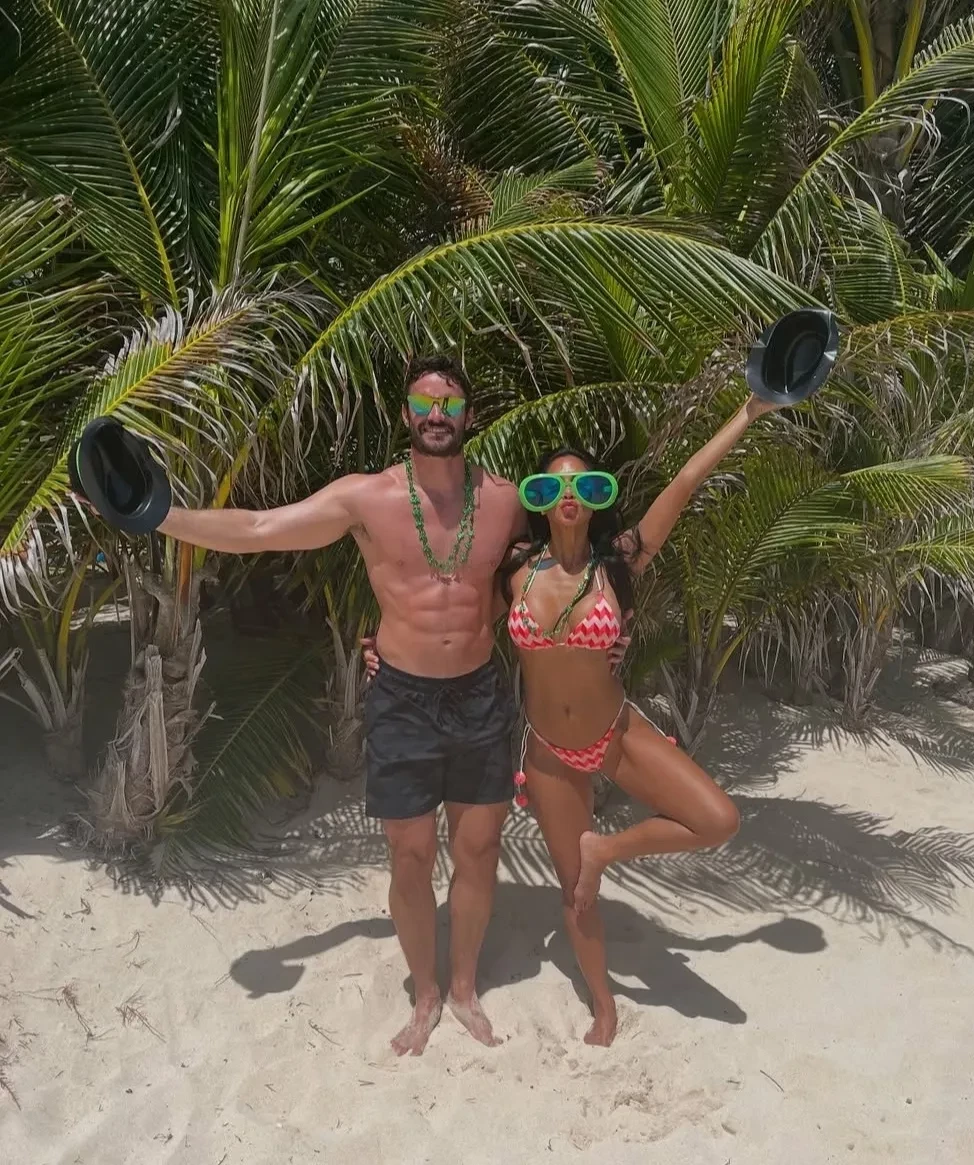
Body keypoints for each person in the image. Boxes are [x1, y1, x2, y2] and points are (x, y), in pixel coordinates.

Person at [134, 354, 626, 1057]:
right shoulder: (365, 498)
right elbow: (261, 527)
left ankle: (463, 987)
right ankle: (424, 993)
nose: (436, 415)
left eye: (449, 404)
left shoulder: (507, 498)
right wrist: (158, 514)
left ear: (469, 416)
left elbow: (567, 564)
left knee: (479, 849)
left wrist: (610, 634)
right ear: (405, 414)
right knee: (410, 855)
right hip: (402, 697)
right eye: (424, 403)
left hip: (480, 695)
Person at [365, 391, 782, 1045]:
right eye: (553, 485)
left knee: (717, 819)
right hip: (549, 753)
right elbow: (442, 612)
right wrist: (379, 649)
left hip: (616, 734)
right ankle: (604, 1005)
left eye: (585, 485)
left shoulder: (619, 561)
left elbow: (683, 483)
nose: (570, 495)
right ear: (536, 499)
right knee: (576, 890)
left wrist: (747, 414)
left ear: (596, 499)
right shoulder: (513, 571)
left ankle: (604, 849)